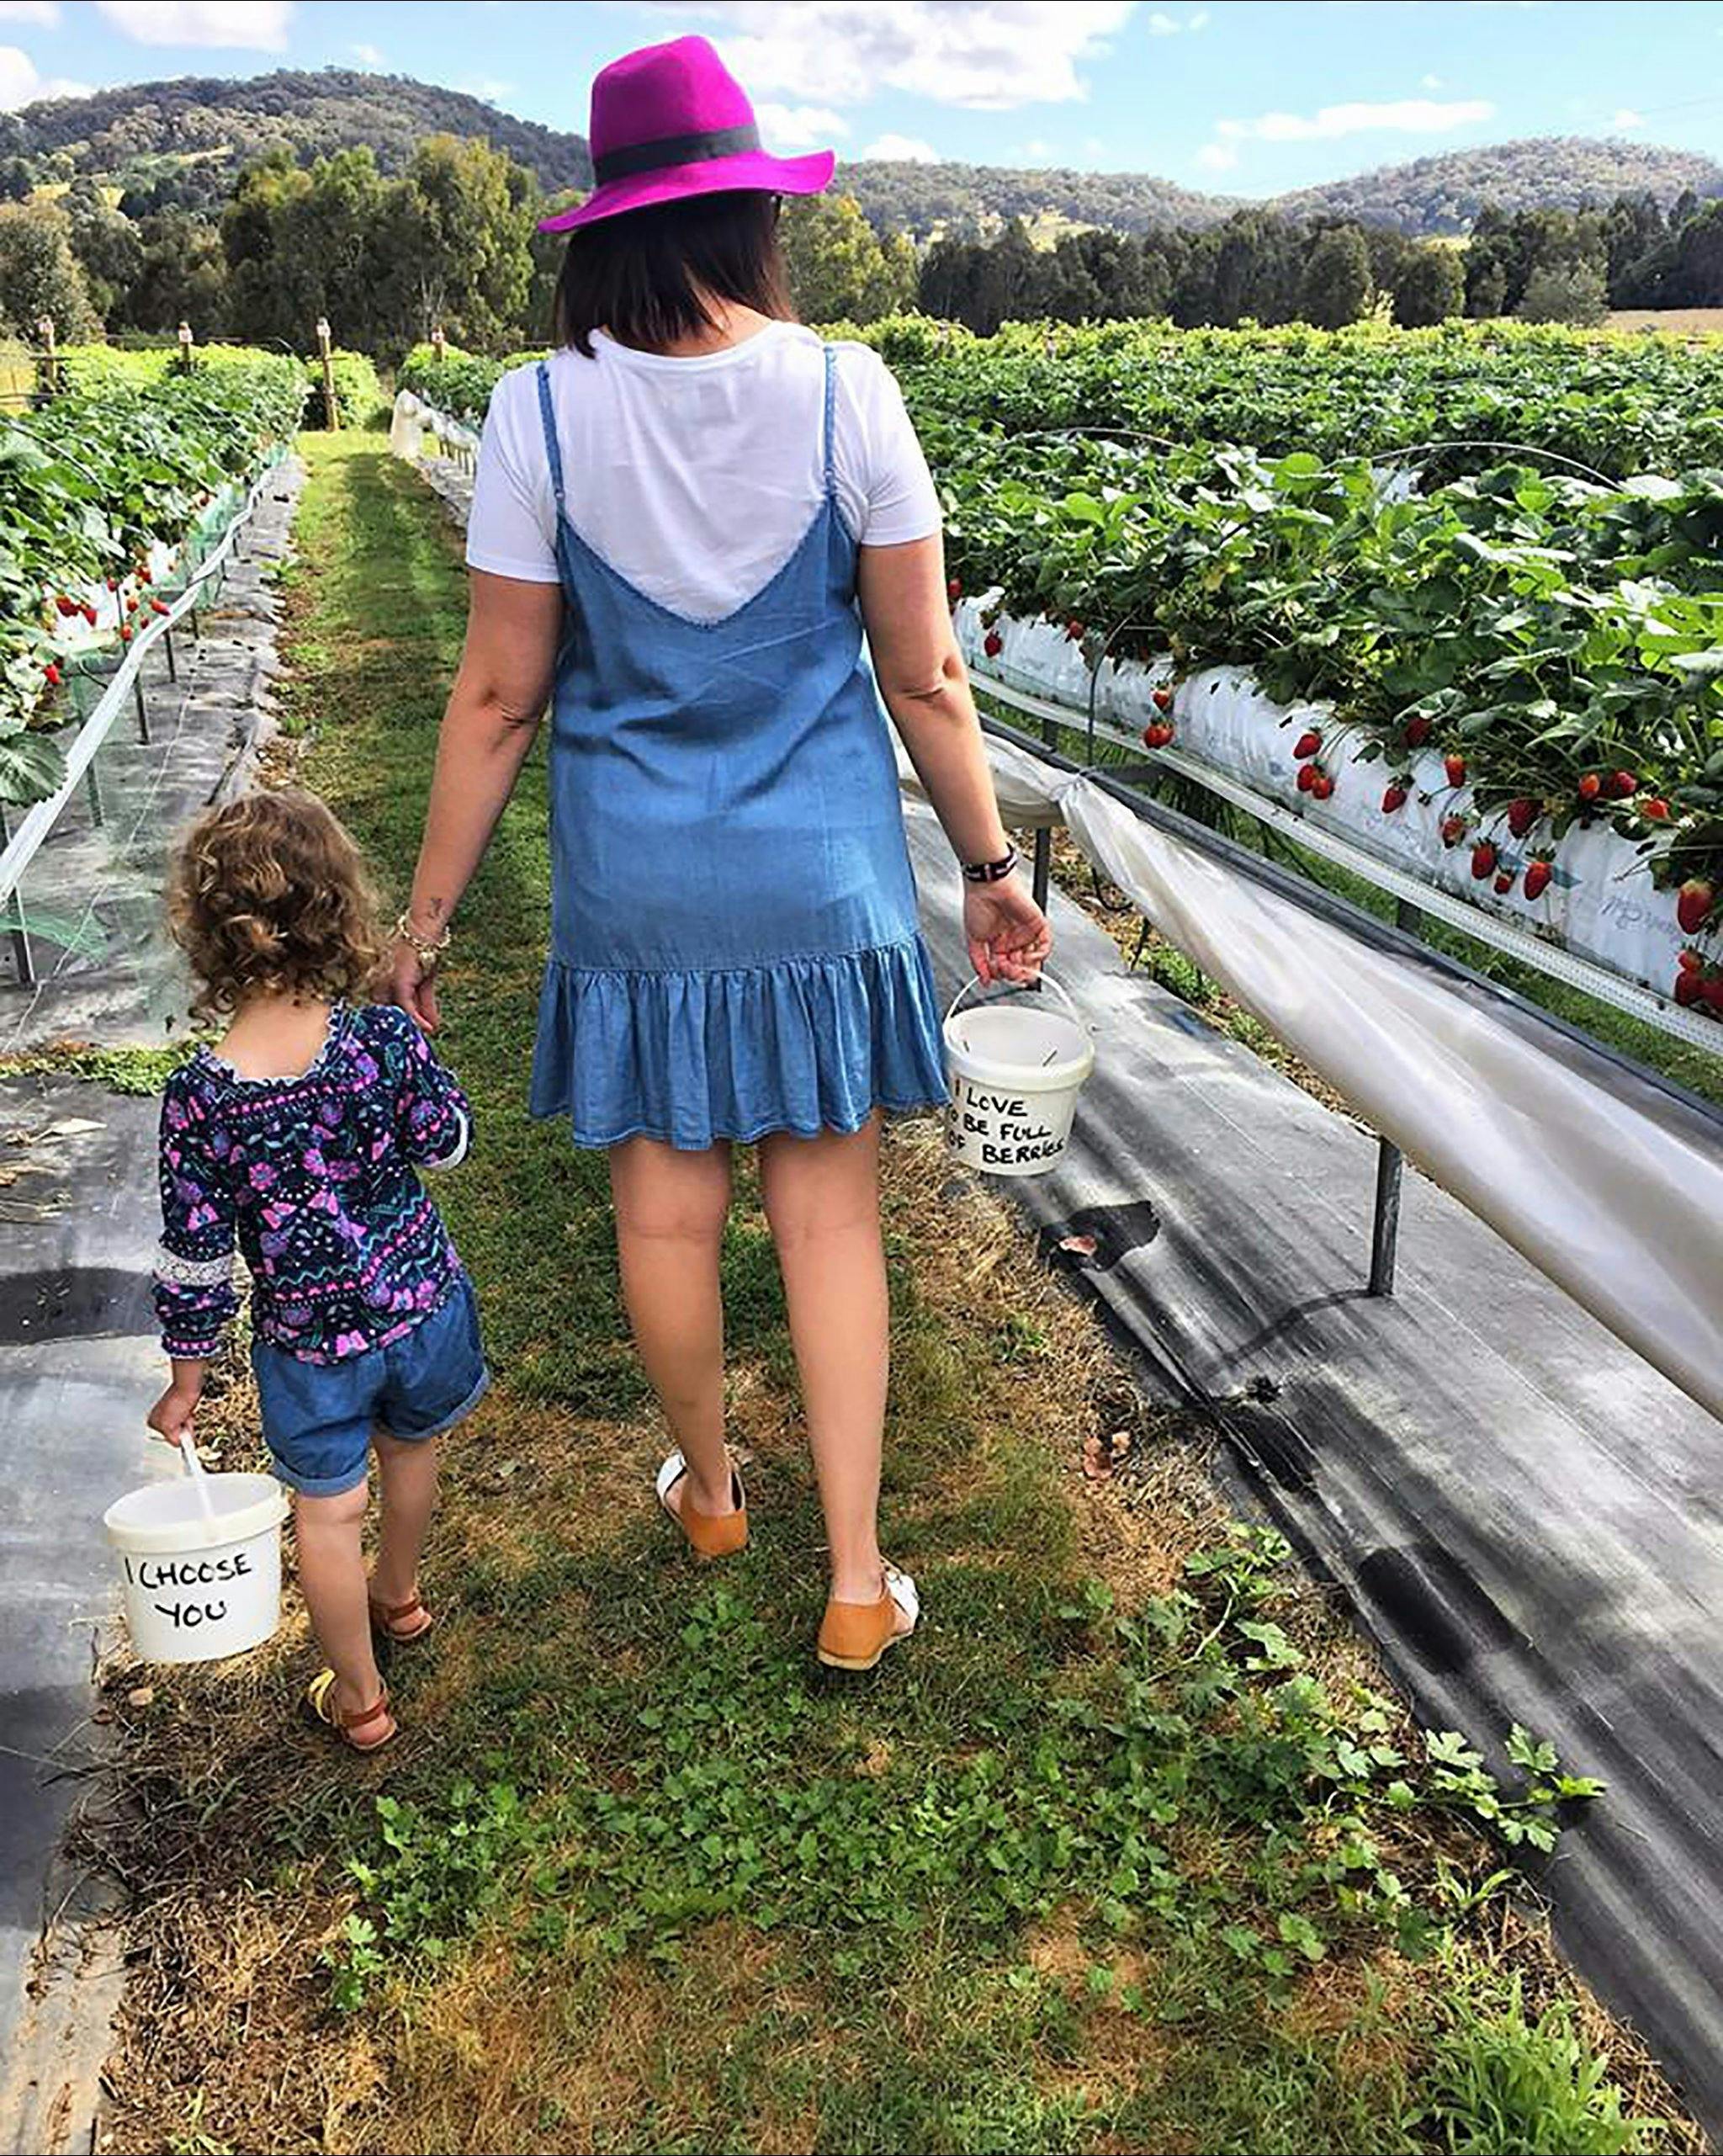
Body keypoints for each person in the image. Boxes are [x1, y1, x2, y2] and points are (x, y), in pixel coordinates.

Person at [389, 34, 1049, 1672]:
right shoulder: (848, 390)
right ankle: (850, 1575)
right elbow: (924, 674)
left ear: (604, 227)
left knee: (666, 1222)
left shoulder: (538, 415)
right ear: (753, 214)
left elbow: (493, 698)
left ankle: (708, 1483)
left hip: (638, 892)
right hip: (819, 882)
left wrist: (424, 922)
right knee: (828, 1225)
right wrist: (984, 869)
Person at [147, 789, 486, 1752]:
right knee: (411, 1457)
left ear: (210, 936)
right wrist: (419, 1059)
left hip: (308, 1344)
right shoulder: (378, 1043)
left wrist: (187, 1376)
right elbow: (449, 1142)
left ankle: (360, 1698)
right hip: (421, 1308)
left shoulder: (198, 1099)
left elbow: (198, 1252)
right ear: (342, 911)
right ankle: (402, 1597)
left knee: (327, 1513)